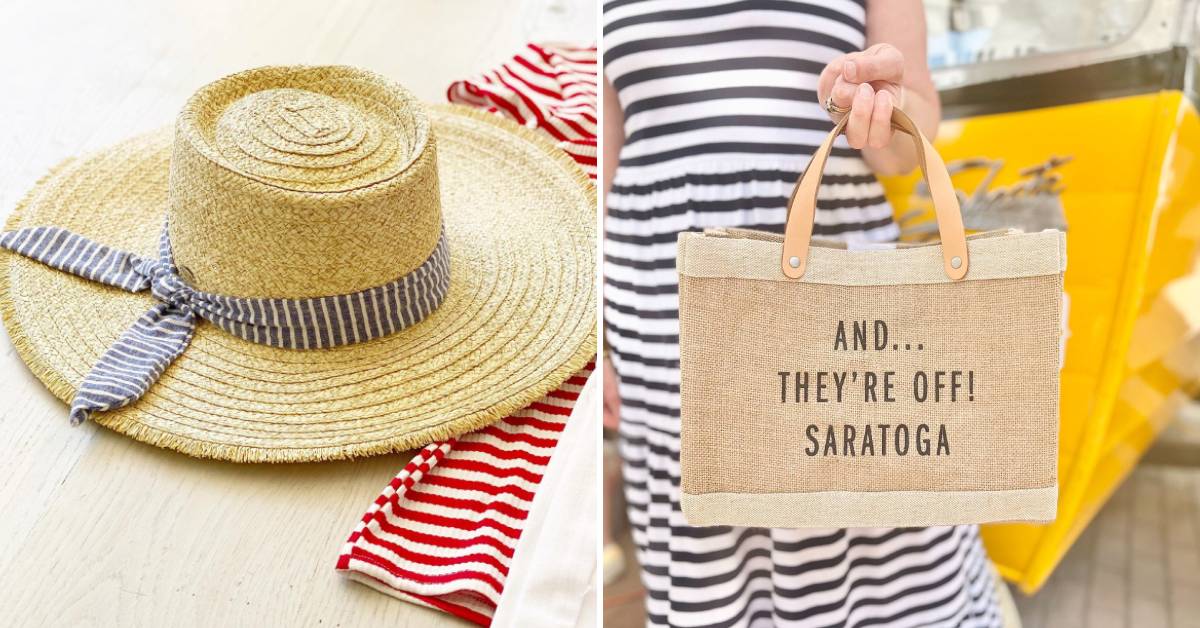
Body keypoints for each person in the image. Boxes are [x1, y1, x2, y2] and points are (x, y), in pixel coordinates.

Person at [602, 1, 1003, 625]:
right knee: (711, 511)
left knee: (868, 482)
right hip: (659, 290)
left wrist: (880, 110)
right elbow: (602, 158)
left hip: (834, 269)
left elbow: (911, 138)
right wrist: (590, 333)